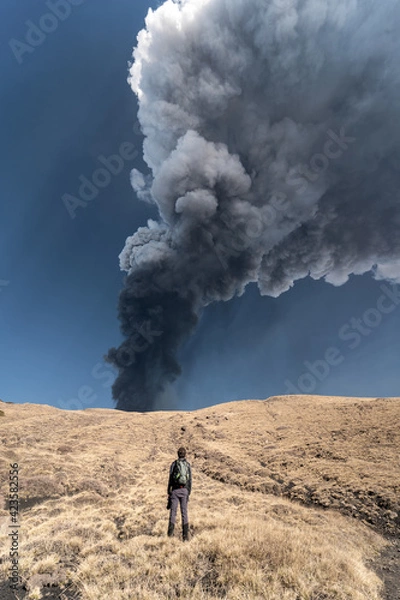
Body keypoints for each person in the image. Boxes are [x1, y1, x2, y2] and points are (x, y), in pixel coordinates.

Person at [167, 446, 192, 541]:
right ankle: (185, 537)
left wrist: (169, 492)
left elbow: (170, 479)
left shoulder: (174, 464)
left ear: (178, 454)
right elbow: (190, 481)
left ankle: (170, 535)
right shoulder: (187, 465)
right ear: (185, 454)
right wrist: (188, 492)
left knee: (173, 513)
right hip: (184, 491)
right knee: (184, 513)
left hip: (175, 491)